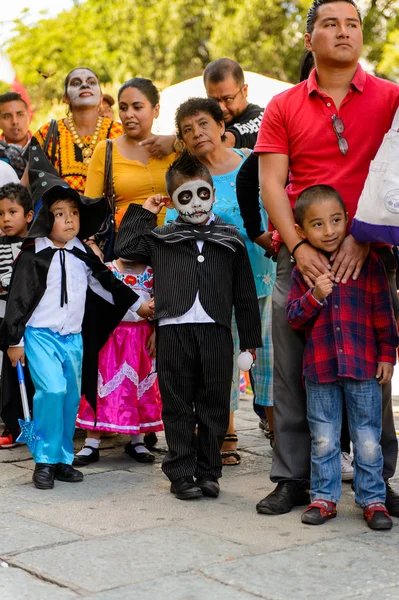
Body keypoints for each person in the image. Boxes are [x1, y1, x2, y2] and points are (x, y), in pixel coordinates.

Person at [255, 0, 399, 517]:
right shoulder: (284, 104)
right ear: (310, 37)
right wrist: (297, 245)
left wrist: (364, 235)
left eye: (353, 24)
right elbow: (271, 181)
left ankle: (377, 480)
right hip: (301, 258)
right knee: (293, 372)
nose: (344, 32)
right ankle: (294, 478)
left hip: (367, 255)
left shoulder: (391, 98)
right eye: (330, 24)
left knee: (372, 368)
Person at [0, 144, 151, 490]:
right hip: (39, 336)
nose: (68, 220)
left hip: (73, 339)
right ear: (43, 218)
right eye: (59, 214)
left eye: (73, 213)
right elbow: (18, 301)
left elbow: (108, 286)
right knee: (50, 392)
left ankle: (63, 458)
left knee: (70, 396)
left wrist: (138, 307)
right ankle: (44, 459)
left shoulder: (84, 253)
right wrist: (14, 340)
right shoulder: (33, 254)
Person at [115, 152, 262, 500]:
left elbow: (244, 292)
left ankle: (209, 471)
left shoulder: (230, 238)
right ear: (173, 200)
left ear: (212, 191)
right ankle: (180, 471)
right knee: (177, 404)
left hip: (215, 332)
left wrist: (250, 341)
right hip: (173, 332)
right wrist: (146, 211)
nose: (195, 204)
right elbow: (125, 247)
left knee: (214, 403)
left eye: (202, 194)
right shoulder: (161, 237)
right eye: (185, 197)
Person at [167, 97, 275, 465]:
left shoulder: (249, 161)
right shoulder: (188, 177)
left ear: (220, 125)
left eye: (203, 123)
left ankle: (280, 433)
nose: (197, 133)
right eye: (187, 129)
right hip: (215, 286)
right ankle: (224, 434)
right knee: (221, 363)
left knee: (271, 360)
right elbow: (174, 222)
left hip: (265, 275)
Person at [286, 185, 398, 530]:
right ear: (302, 232)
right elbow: (293, 317)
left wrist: (387, 356)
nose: (330, 230)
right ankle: (324, 497)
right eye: (318, 224)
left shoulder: (369, 264)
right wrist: (316, 295)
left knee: (367, 437)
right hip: (320, 370)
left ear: (348, 219)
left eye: (336, 220)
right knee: (323, 437)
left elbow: (384, 314)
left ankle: (373, 500)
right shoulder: (302, 271)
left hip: (363, 366)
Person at [74, 254, 163, 466]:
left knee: (137, 389)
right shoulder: (107, 270)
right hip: (110, 337)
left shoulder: (152, 273)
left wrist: (156, 330)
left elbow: (161, 303)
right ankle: (91, 442)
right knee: (101, 388)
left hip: (141, 337)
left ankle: (137, 440)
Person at [84, 77, 176, 231]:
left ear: (156, 110)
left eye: (137, 107)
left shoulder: (173, 148)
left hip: (175, 243)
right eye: (123, 108)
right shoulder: (105, 150)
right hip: (128, 246)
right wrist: (92, 244)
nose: (128, 114)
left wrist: (176, 142)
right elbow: (89, 209)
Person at [139, 58, 263, 158]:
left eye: (228, 99)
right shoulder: (206, 118)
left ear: (244, 90)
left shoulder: (260, 117)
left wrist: (173, 144)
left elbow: (226, 142)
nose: (221, 107)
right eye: (213, 100)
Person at [33, 67, 123, 193]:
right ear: (65, 98)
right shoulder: (47, 133)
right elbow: (28, 185)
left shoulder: (119, 132)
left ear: (101, 97)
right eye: (76, 83)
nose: (85, 85)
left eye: (91, 82)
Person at [0, 184, 34, 449]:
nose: (6, 219)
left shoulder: (36, 245)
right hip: (8, 320)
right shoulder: (0, 246)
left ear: (30, 215)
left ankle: (35, 422)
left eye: (12, 212)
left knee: (35, 375)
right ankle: (13, 426)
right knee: (10, 375)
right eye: (1, 214)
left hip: (33, 321)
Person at [0, 92, 31, 178]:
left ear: (29, 117)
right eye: (7, 116)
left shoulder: (45, 147)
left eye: (20, 114)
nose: (15, 121)